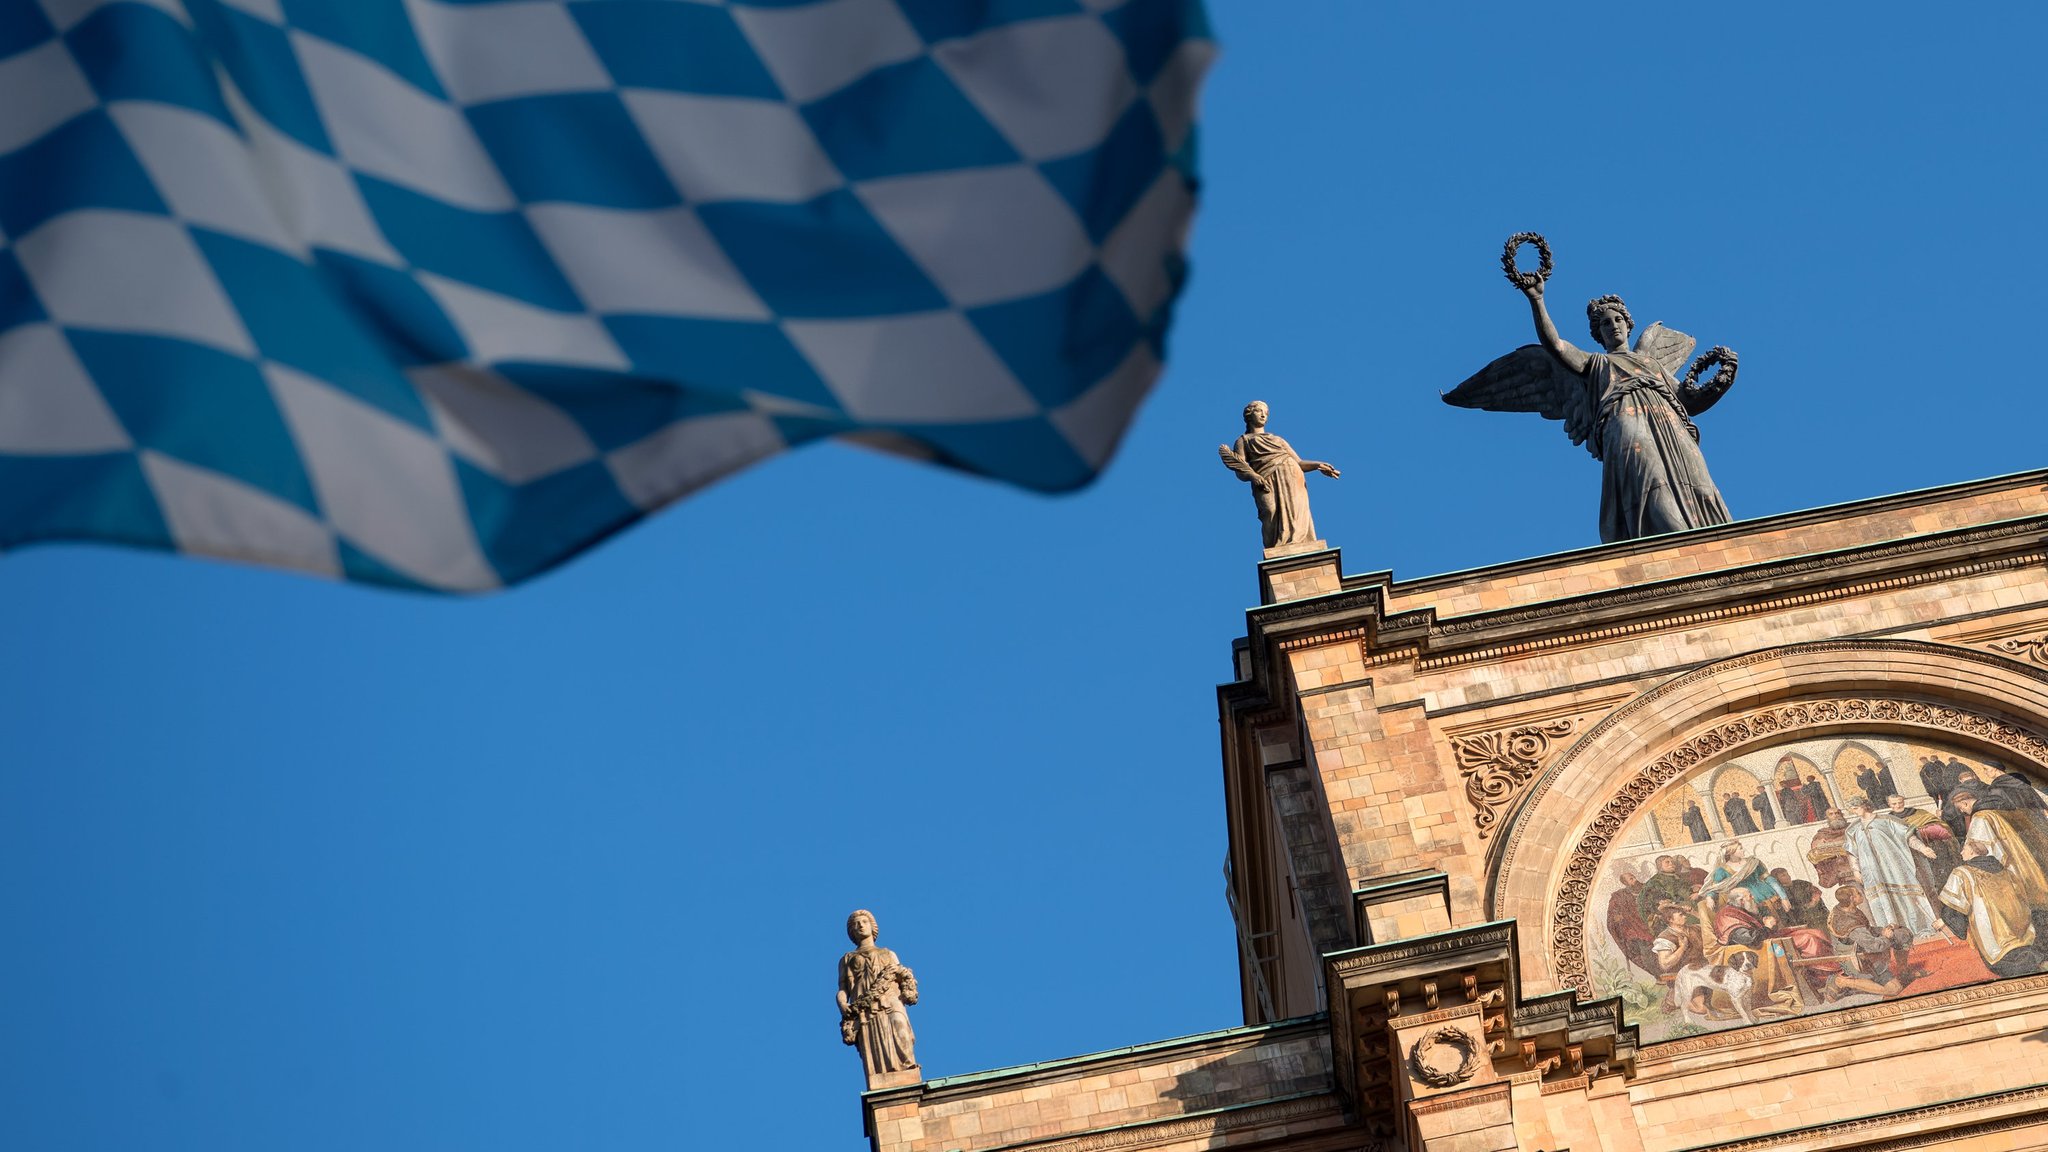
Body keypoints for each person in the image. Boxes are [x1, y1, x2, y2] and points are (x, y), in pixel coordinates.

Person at [1217, 402, 1339, 550]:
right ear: (1249, 414)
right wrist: (1253, 477)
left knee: (1296, 513)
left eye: (1266, 413)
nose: (1263, 415)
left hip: (1291, 474)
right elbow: (1240, 470)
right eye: (1259, 411)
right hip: (1264, 479)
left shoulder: (1277, 440)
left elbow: (1299, 462)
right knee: (1269, 512)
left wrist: (1318, 465)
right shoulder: (1243, 441)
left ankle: (1298, 545)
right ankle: (1274, 548)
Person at [1841, 798, 1940, 937]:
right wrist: (1856, 871)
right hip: (1871, 870)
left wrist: (1923, 848)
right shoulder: (1853, 829)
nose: (1853, 812)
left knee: (1906, 896)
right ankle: (1892, 933)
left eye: (1856, 808)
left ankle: (1917, 928)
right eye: (1851, 809)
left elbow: (1908, 837)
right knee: (1882, 900)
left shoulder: (1886, 820)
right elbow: (1852, 853)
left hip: (1893, 866)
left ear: (1865, 806)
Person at [838, 910, 919, 1076]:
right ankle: (882, 1076)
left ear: (872, 926)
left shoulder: (888, 953)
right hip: (864, 1004)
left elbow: (902, 975)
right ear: (852, 932)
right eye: (855, 924)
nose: (860, 925)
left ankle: (907, 1068)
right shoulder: (847, 958)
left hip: (890, 998)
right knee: (874, 1042)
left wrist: (907, 990)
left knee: (899, 1026)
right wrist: (842, 1005)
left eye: (864, 922)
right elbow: (843, 989)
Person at [1827, 885, 1915, 992]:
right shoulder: (1849, 923)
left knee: (1902, 934)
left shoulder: (1847, 910)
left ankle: (1903, 971)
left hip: (1863, 947)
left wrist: (1883, 930)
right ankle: (1843, 982)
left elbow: (1867, 930)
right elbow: (1875, 946)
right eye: (1858, 893)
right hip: (1858, 960)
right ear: (1852, 898)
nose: (1861, 894)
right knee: (1894, 990)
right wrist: (1886, 936)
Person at [1605, 863, 1659, 978]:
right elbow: (1612, 913)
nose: (1635, 880)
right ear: (1625, 883)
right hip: (1637, 929)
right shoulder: (1619, 896)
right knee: (1645, 949)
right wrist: (1616, 917)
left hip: (1653, 923)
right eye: (1631, 879)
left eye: (1634, 877)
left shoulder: (1647, 889)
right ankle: (1658, 974)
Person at [1703, 842, 1787, 909]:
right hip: (1747, 902)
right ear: (1732, 852)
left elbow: (1769, 879)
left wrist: (1783, 897)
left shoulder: (1753, 862)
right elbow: (1715, 887)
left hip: (1771, 896)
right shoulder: (1722, 870)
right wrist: (1709, 898)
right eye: (1740, 849)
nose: (1744, 850)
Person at [1807, 809, 1855, 887]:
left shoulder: (1853, 828)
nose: (1835, 816)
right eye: (1831, 814)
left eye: (1837, 813)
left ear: (1842, 815)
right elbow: (1816, 853)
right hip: (1841, 872)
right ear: (1827, 818)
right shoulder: (1822, 835)